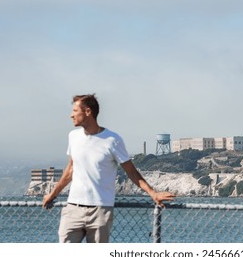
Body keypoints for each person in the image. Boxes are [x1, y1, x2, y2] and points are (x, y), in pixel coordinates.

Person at [42, 94, 176, 243]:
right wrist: (52, 194)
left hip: (100, 210)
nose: (71, 115)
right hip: (73, 208)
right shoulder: (73, 136)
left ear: (87, 111)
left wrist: (153, 194)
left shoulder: (113, 140)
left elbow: (131, 171)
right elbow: (70, 169)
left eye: (75, 110)